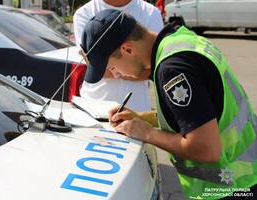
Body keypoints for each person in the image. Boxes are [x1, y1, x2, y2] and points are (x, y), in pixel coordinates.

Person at [80, 9, 257, 199]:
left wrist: (147, 132)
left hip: (232, 186)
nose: (117, 74)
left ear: (128, 49)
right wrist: (141, 118)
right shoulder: (180, 39)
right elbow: (196, 115)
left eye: (113, 67)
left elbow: (207, 149)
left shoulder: (173, 70)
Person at [73, 0, 163, 112]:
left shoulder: (150, 12)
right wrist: (136, 68)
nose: (114, 70)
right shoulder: (84, 13)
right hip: (93, 106)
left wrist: (106, 67)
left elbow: (156, 69)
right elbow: (95, 66)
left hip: (137, 110)